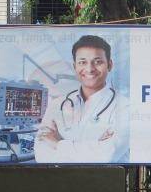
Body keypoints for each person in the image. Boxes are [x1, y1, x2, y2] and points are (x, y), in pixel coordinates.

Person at [35, 34, 127, 163]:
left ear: (110, 65)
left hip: (105, 180)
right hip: (59, 180)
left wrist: (57, 143)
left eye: (98, 62)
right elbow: (41, 154)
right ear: (75, 67)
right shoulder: (57, 104)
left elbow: (108, 155)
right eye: (82, 62)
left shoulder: (125, 106)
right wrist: (94, 146)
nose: (89, 69)